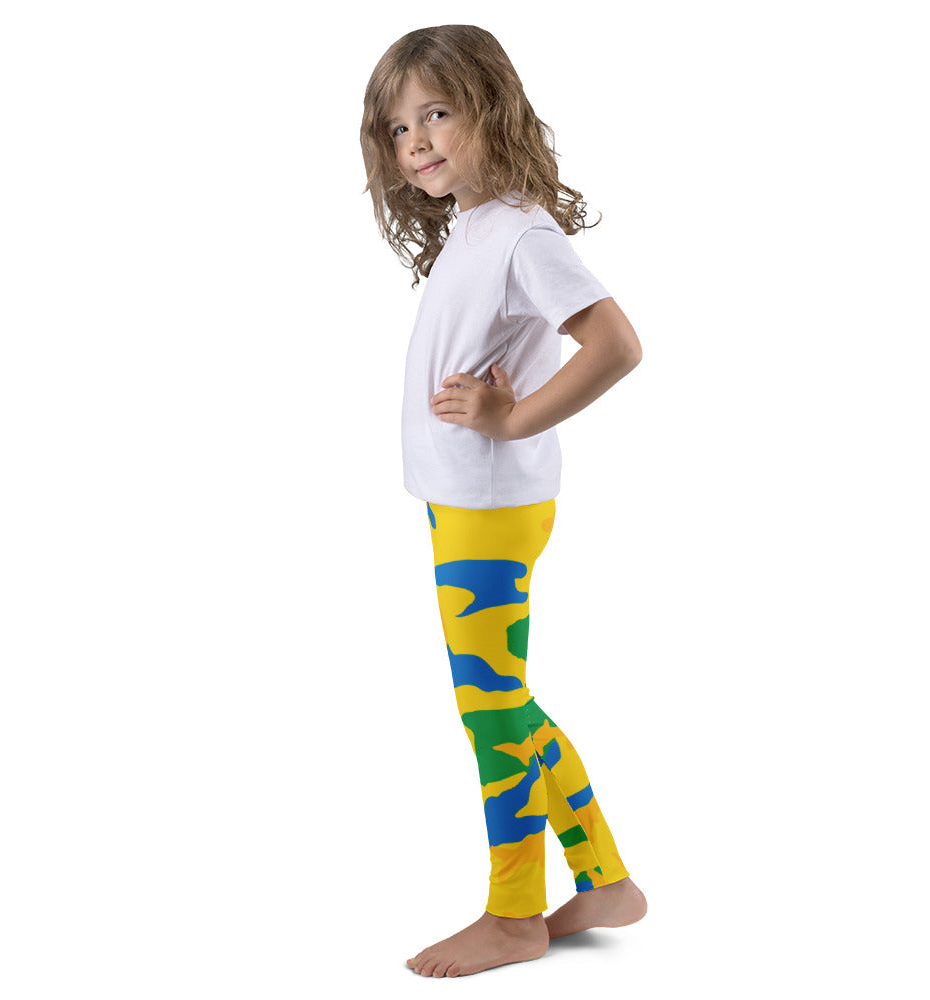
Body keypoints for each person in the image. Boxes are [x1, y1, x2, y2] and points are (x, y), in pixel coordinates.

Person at [360, 24, 647, 978]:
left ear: (493, 107)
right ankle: (604, 880)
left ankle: (516, 913)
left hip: (487, 508)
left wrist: (513, 418)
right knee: (505, 701)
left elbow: (616, 345)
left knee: (490, 713)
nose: (417, 141)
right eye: (400, 127)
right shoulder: (478, 225)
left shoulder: (523, 233)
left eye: (437, 113)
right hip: (463, 502)